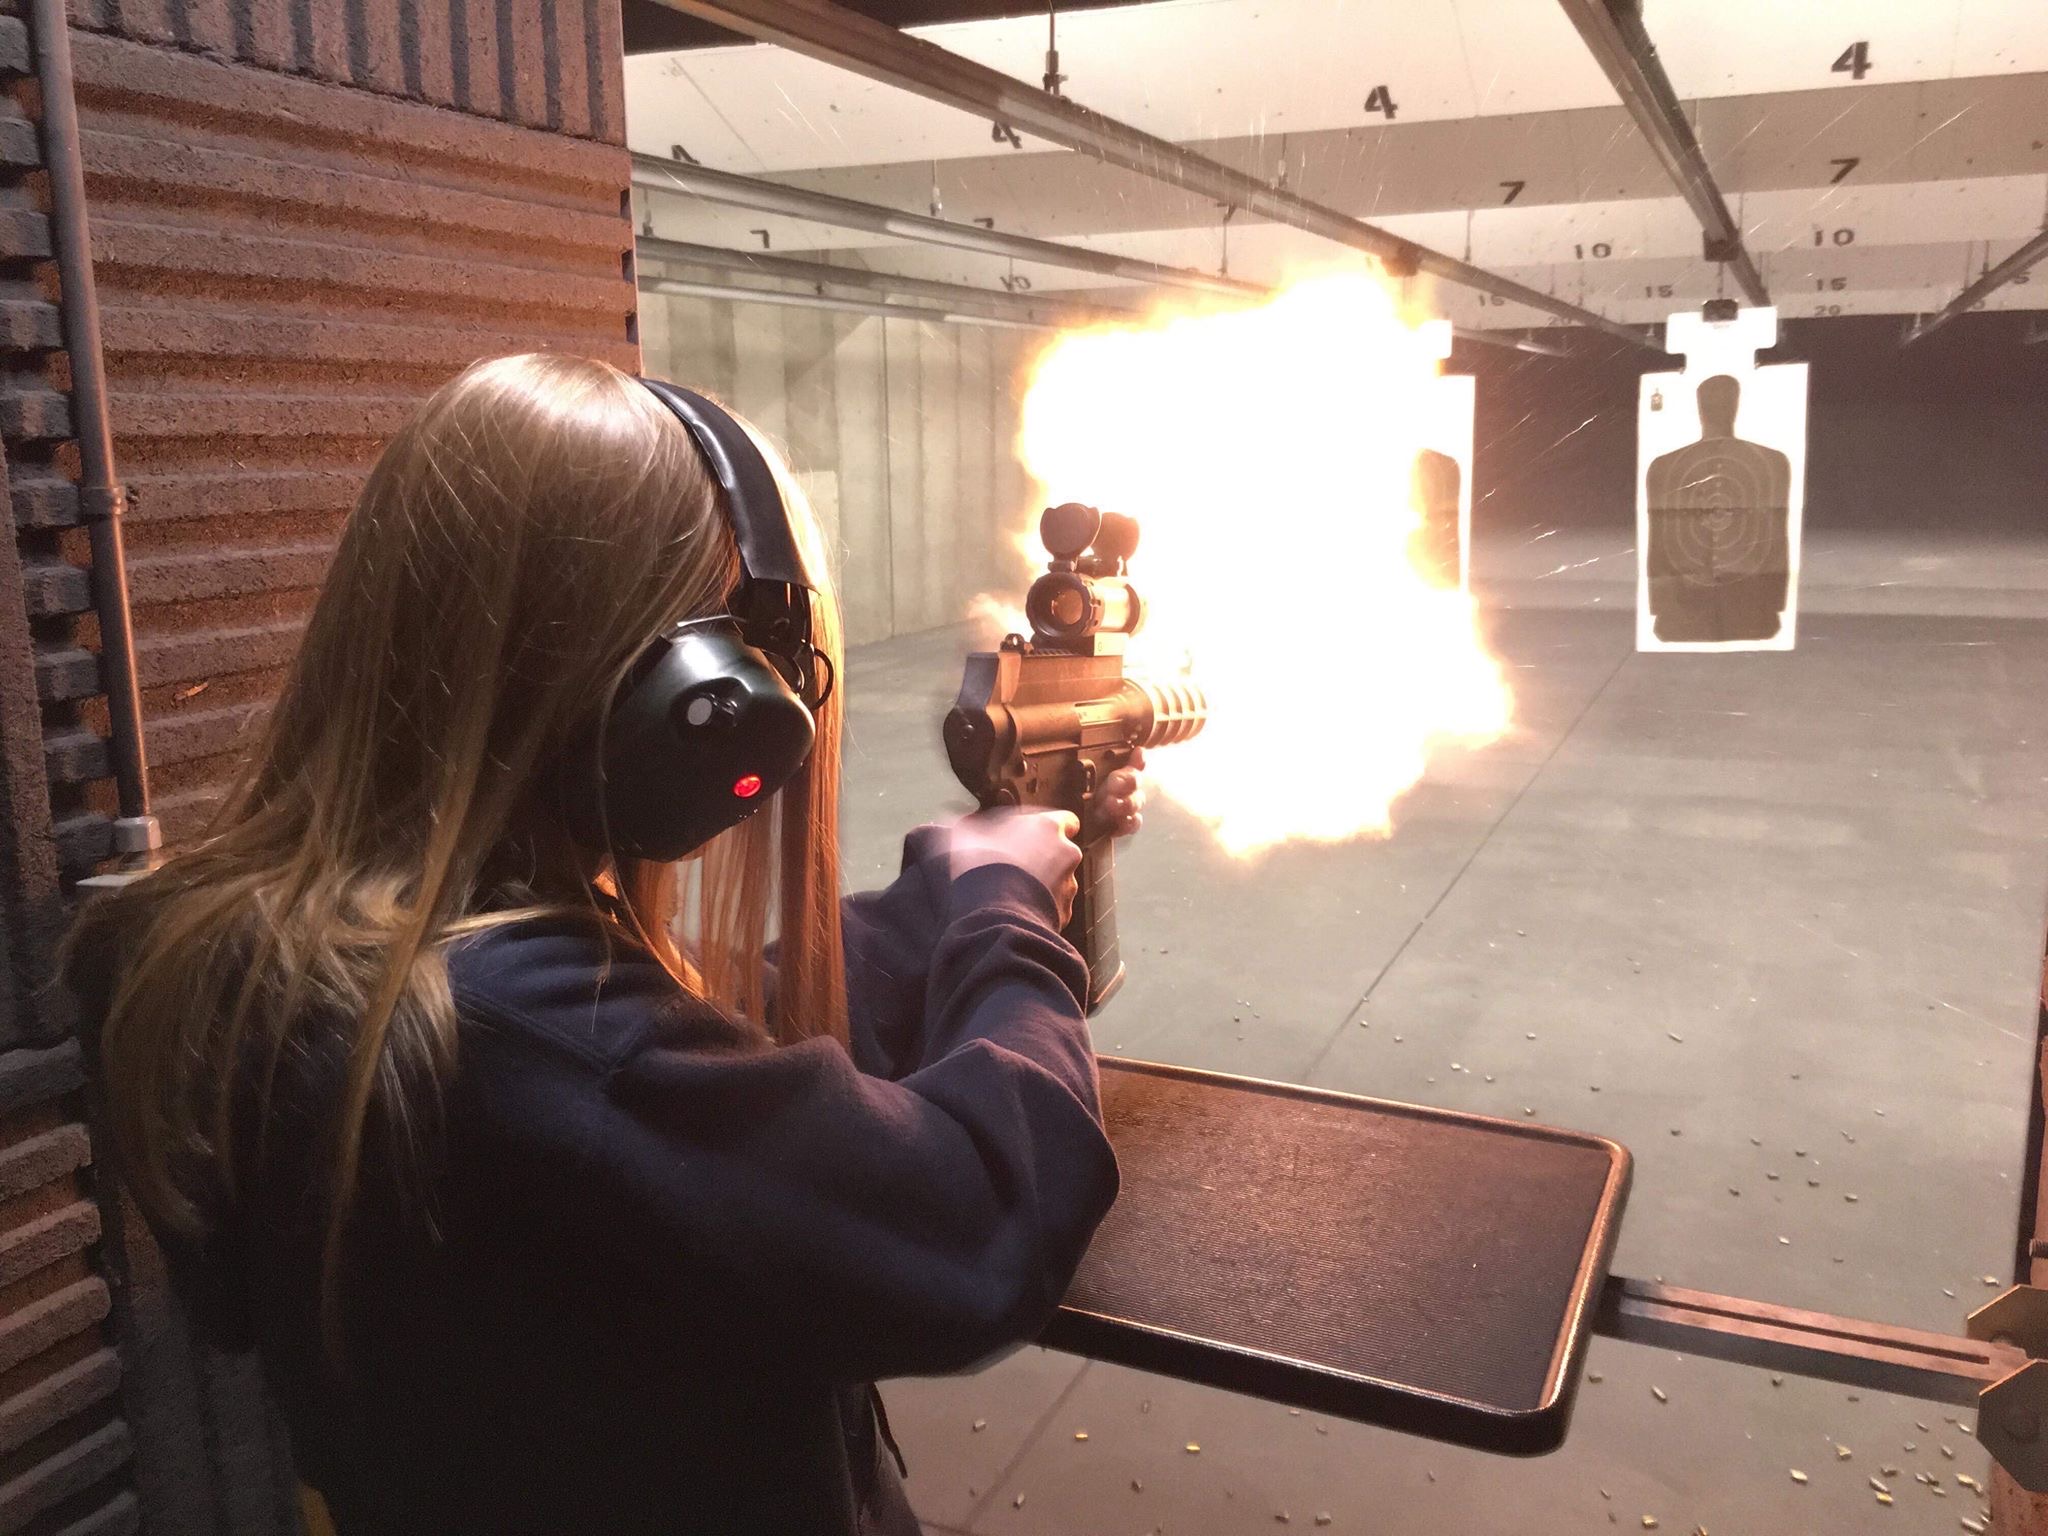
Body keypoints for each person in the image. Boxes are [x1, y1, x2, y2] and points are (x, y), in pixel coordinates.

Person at [64, 353, 1143, 1535]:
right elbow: (980, 1225)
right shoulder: (539, 1044)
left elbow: (689, 1068)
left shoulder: (276, 963)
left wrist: (943, 896)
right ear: (691, 699)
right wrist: (1006, 925)